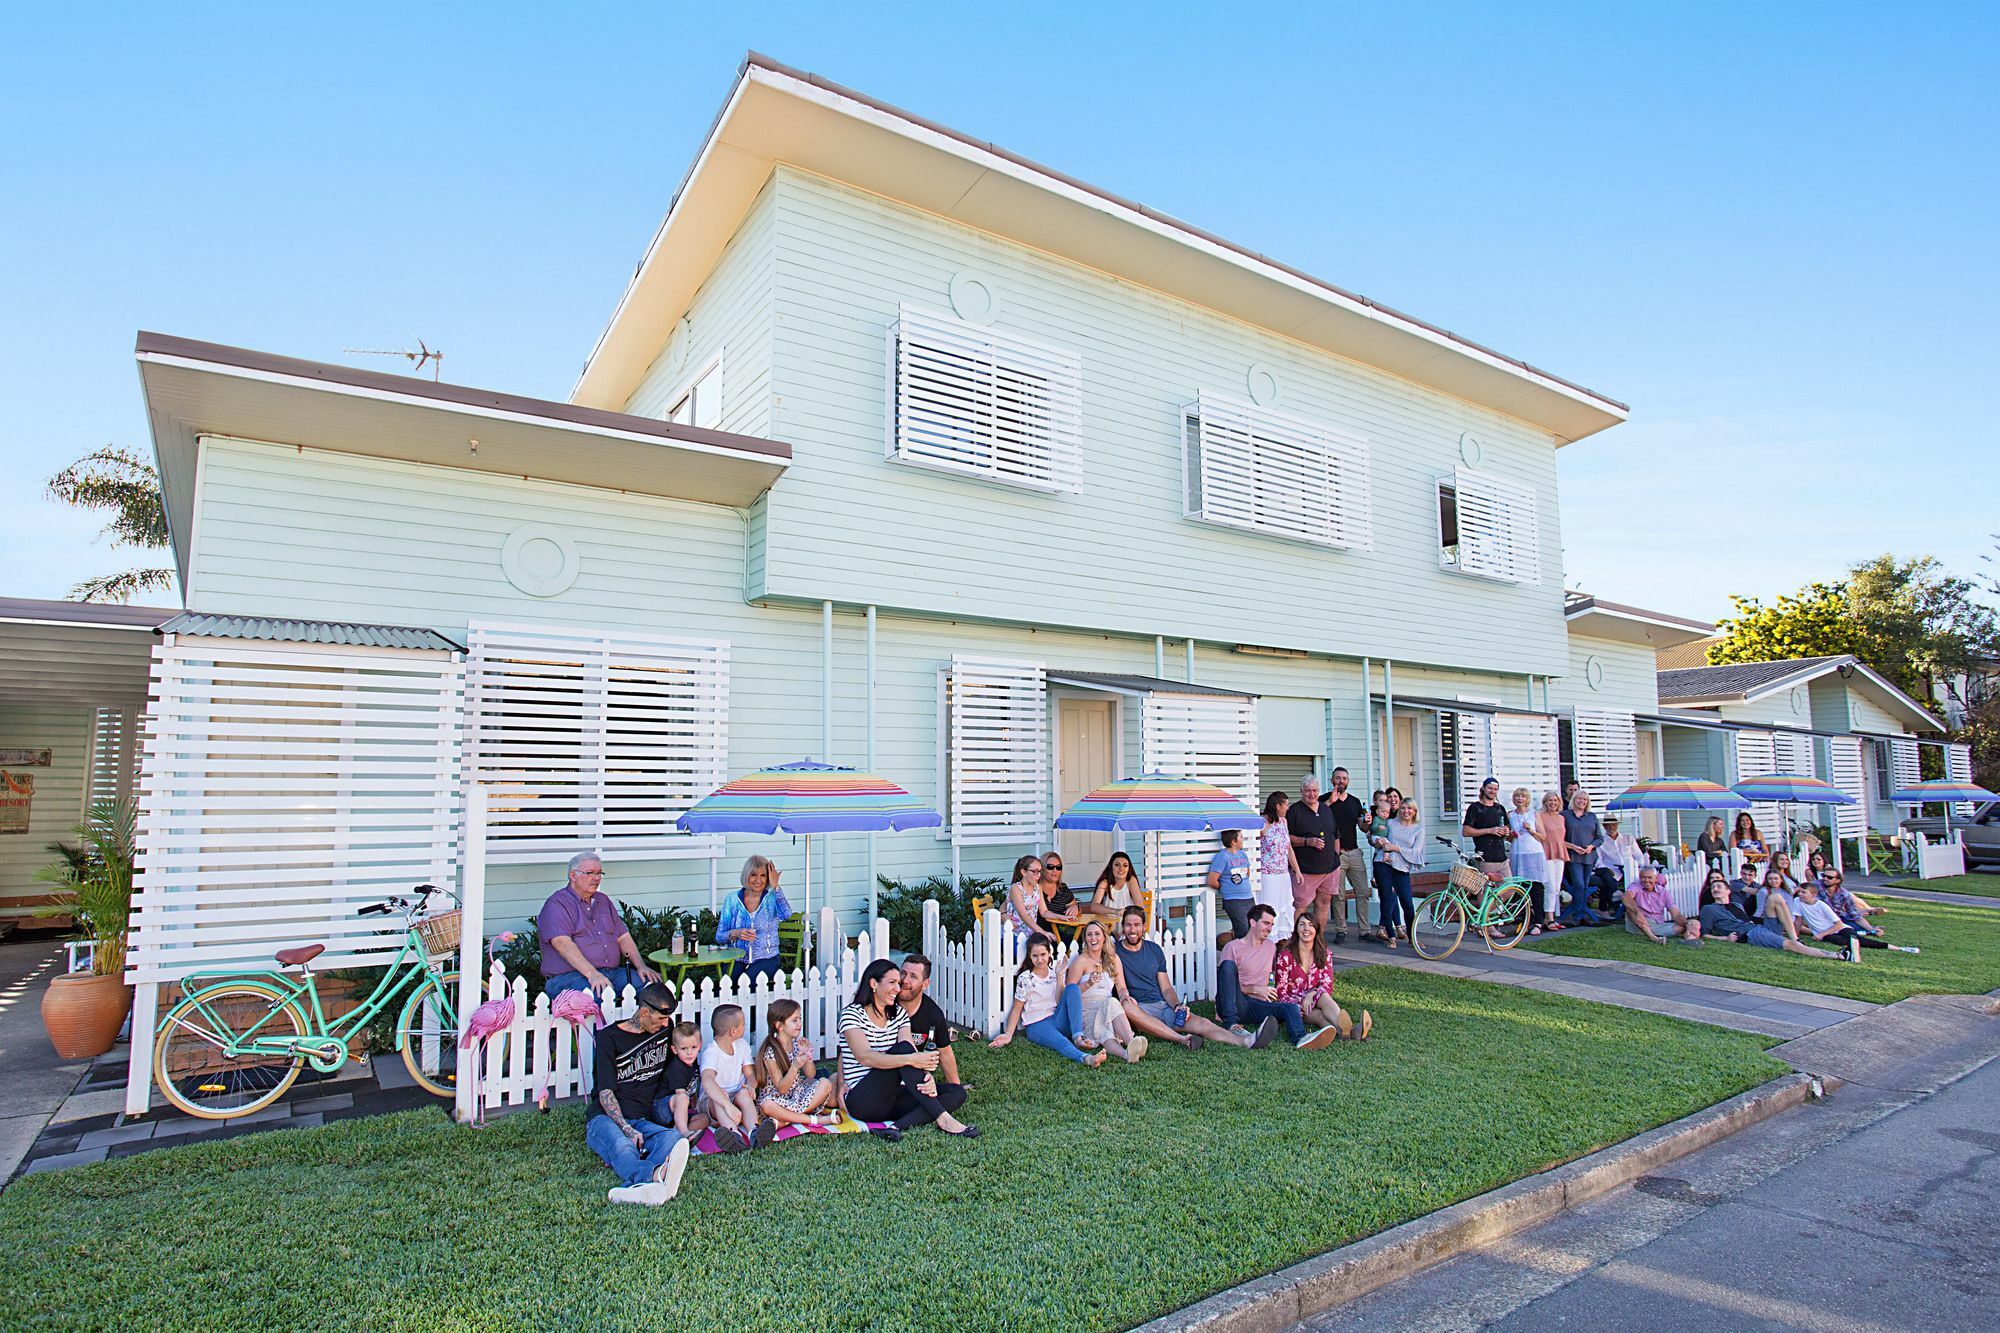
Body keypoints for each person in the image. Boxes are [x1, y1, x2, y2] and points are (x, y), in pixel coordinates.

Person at [838, 959, 976, 1142]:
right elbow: (865, 1057)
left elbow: (911, 1052)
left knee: (956, 1093)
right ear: (873, 984)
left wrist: (926, 1079)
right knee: (902, 1051)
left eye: (899, 982)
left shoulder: (899, 1014)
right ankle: (943, 1119)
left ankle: (896, 1127)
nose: (898, 987)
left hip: (892, 1097)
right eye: (892, 982)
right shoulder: (852, 1015)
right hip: (863, 1101)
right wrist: (912, 1060)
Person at [585, 980, 692, 1205]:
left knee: (672, 1138)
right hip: (605, 1119)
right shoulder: (608, 1038)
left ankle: (633, 1188)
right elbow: (605, 1093)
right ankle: (655, 1176)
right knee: (622, 1145)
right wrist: (626, 1128)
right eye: (661, 1019)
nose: (665, 1025)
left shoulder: (665, 1029)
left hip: (643, 1117)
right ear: (644, 1012)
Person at [1114, 906, 1268, 1050]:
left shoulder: (1154, 949)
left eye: (1136, 924)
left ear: (1144, 926)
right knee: (1127, 1006)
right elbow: (1121, 987)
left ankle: (1245, 1041)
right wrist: (1125, 997)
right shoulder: (1116, 952)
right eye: (1128, 925)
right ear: (1123, 926)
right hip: (1139, 1009)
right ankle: (1180, 1039)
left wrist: (1177, 1006)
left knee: (1201, 1022)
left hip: (1161, 1006)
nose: (1132, 929)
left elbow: (1166, 988)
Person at [538, 852, 660, 999]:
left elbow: (623, 937)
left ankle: (638, 1023)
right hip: (569, 977)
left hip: (611, 973)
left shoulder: (603, 901)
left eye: (599, 873)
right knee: (595, 996)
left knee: (653, 988)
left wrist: (641, 966)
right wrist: (592, 973)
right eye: (589, 873)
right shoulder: (557, 904)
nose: (596, 878)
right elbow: (562, 944)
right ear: (573, 875)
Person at [989, 933, 1107, 1067]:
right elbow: (1017, 1009)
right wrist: (1008, 1034)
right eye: (1035, 956)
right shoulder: (1025, 978)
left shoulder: (1054, 972)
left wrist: (1059, 977)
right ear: (1029, 956)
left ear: (1049, 953)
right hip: (1037, 1024)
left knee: (1072, 988)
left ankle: (1078, 1037)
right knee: (1060, 1042)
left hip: (1057, 1019)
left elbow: (1059, 1000)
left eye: (1043, 954)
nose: (1039, 959)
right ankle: (1086, 1058)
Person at [1218, 904, 1312, 1046]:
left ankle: (1301, 1038)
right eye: (1266, 923)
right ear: (1253, 922)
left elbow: (1281, 975)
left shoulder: (1271, 947)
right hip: (1236, 1002)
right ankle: (1232, 1025)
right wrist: (1255, 989)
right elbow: (1226, 986)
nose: (1269, 928)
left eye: (1272, 925)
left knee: (1290, 1007)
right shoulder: (1232, 947)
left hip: (1257, 1005)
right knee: (1227, 966)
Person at [1274, 913, 1372, 1042]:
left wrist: (1312, 994)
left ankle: (1346, 1032)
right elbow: (1281, 992)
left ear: (1316, 930)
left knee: (1323, 996)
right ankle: (1350, 1033)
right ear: (1296, 930)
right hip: (1295, 1006)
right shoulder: (1285, 956)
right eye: (1302, 925)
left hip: (1317, 998)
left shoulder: (1324, 953)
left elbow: (1327, 984)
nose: (1306, 929)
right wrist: (1298, 1005)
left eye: (1310, 925)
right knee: (1319, 1016)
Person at [1696, 872, 1840, 958]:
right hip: (1750, 933)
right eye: (1713, 887)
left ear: (1728, 891)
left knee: (1775, 898)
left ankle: (1795, 937)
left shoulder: (1736, 905)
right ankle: (1839, 955)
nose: (1715, 889)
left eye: (1719, 886)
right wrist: (1725, 938)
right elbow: (1704, 933)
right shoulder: (1708, 909)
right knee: (1790, 945)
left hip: (1758, 926)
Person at [1069, 920, 1147, 1063]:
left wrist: (1125, 997)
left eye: (1097, 934)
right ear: (1085, 938)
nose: (1093, 938)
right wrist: (1089, 983)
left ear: (1104, 937)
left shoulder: (1113, 959)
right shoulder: (1081, 961)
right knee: (1106, 1021)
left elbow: (1122, 988)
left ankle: (1130, 1050)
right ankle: (1130, 1046)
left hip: (1109, 1009)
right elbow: (1069, 995)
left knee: (1112, 1003)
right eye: (1089, 935)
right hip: (1088, 1012)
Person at [755, 998, 838, 1128]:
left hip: (797, 1094)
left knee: (826, 1083)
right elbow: (782, 1089)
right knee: (766, 1105)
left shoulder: (796, 1043)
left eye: (800, 1019)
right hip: (778, 1099)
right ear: (779, 1026)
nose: (799, 1023)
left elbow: (811, 1075)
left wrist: (806, 1055)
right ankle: (813, 1120)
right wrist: (795, 1066)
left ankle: (785, 1120)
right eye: (794, 1020)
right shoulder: (770, 1052)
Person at [700, 1004, 772, 1151]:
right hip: (713, 1102)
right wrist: (728, 1105)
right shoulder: (711, 1052)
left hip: (736, 1097)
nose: (745, 1026)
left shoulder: (742, 1045)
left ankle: (754, 1133)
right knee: (722, 1095)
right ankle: (734, 1136)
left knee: (744, 1094)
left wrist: (751, 1085)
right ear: (733, 1031)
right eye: (743, 1024)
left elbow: (750, 1074)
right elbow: (707, 1081)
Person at [898, 953, 968, 1097]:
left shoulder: (933, 1014)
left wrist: (955, 1087)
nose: (904, 980)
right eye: (903, 973)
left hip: (913, 1074)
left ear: (925, 984)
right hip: (884, 1070)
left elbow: (945, 1053)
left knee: (955, 1093)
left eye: (913, 976)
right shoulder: (885, 1005)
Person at [715, 855, 795, 982]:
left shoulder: (772, 898)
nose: (758, 880)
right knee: (726, 983)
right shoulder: (732, 899)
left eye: (763, 875)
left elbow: (786, 914)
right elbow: (719, 937)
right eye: (753, 875)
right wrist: (736, 933)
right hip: (736, 958)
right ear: (746, 876)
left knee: (747, 981)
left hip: (767, 958)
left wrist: (776, 887)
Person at [1794, 880, 1919, 960]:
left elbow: (1838, 924)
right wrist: (1795, 937)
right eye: (1800, 892)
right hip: (1827, 934)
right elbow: (1798, 921)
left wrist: (1821, 934)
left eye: (1803, 893)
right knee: (1843, 941)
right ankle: (1854, 950)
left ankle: (1900, 948)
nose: (1800, 895)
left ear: (1813, 894)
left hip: (1839, 928)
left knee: (1858, 940)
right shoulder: (1797, 902)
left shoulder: (1821, 905)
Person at [1288, 773, 1343, 941]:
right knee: (1300, 906)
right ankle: (1297, 943)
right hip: (1306, 870)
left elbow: (1335, 834)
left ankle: (1318, 941)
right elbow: (1286, 838)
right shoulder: (1294, 811)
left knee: (1324, 904)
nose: (1311, 794)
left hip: (1330, 868)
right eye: (1307, 791)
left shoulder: (1326, 809)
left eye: (1315, 791)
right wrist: (1307, 842)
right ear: (1301, 791)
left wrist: (1336, 856)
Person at [1324, 767, 1373, 943]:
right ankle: (1341, 930)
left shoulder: (1354, 802)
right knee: (1339, 895)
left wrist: (1367, 822)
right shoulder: (1324, 800)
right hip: (1336, 853)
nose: (1341, 781)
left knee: (1362, 892)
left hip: (1354, 852)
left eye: (1344, 778)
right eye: (1337, 778)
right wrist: (1331, 801)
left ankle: (1365, 930)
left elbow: (1363, 827)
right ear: (1332, 781)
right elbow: (1317, 815)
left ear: (1348, 781)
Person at [1373, 799, 1424, 943]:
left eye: (1409, 808)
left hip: (1402, 869)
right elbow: (1375, 835)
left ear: (1414, 811)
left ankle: (1412, 938)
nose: (1406, 811)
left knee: (1407, 902)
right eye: (1403, 808)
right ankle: (1391, 936)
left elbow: (1415, 852)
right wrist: (1377, 841)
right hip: (1383, 864)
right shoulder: (1390, 823)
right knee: (1387, 899)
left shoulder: (1418, 830)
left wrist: (1394, 848)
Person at [1559, 790, 1610, 927]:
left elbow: (1600, 838)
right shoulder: (1564, 816)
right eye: (1579, 799)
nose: (1581, 801)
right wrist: (1573, 847)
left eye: (1585, 800)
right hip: (1573, 857)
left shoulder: (1591, 817)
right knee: (1579, 884)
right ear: (1574, 800)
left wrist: (1591, 846)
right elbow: (1558, 838)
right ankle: (1578, 915)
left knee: (1585, 886)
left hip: (1589, 857)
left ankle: (1582, 915)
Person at [1508, 787, 1554, 935]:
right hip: (1518, 853)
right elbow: (1508, 837)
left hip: (1533, 852)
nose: (1519, 799)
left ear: (1527, 799)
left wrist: (1531, 830)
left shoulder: (1534, 815)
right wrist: (1510, 835)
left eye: (1522, 796)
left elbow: (1543, 836)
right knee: (1521, 887)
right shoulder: (1510, 815)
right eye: (1517, 796)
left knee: (1536, 887)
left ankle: (1539, 921)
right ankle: (1525, 918)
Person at [1256, 792, 1302, 939]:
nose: (1287, 808)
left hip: (1282, 873)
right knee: (1269, 906)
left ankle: (1282, 940)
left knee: (1285, 905)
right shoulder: (1262, 822)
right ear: (1278, 806)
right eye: (1286, 805)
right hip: (1267, 873)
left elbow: (1288, 848)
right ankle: (1267, 938)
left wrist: (1297, 870)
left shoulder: (1283, 822)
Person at [1623, 864, 1701, 944]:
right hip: (1639, 923)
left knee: (1693, 923)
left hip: (1659, 925)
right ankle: (1653, 937)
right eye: (1643, 877)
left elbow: (1676, 914)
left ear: (1656, 879)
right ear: (1640, 878)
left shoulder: (1663, 892)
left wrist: (1687, 925)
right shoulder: (1635, 886)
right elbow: (1626, 897)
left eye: (1650, 877)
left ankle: (1690, 938)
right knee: (1630, 909)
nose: (1646, 880)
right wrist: (1638, 912)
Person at [661, 1021, 711, 1145]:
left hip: (678, 1114)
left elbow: (692, 1089)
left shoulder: (692, 1062)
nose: (689, 1052)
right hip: (663, 1110)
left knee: (705, 1118)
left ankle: (680, 1137)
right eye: (684, 1049)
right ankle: (683, 1133)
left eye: (693, 1047)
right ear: (674, 1049)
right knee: (682, 1097)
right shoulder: (676, 1068)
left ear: (700, 1045)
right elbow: (681, 1095)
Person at [1368, 793, 1405, 947]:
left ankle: (1394, 927)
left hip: (1398, 863)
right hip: (1381, 861)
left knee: (1392, 895)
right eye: (1386, 800)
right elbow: (1371, 837)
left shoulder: (1399, 820)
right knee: (1388, 896)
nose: (1391, 800)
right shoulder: (1377, 819)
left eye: (1394, 797)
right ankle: (1390, 931)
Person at [1206, 829, 1255, 940]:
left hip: (1248, 898)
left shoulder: (1243, 854)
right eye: (1241, 837)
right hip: (1233, 900)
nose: (1243, 839)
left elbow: (1247, 873)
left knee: (1253, 928)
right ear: (1233, 841)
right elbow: (1212, 880)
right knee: (1242, 930)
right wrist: (1226, 888)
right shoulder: (1223, 857)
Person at [1461, 778, 1512, 884]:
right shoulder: (1475, 808)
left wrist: (1506, 832)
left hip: (1502, 858)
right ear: (1483, 788)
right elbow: (1466, 831)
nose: (1492, 791)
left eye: (1495, 789)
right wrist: (1489, 830)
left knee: (1508, 891)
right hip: (1485, 858)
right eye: (1490, 788)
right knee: (1485, 894)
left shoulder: (1500, 808)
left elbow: (1507, 828)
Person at [1594, 815, 1642, 913]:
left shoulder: (1628, 838)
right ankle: (1612, 903)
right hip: (1611, 871)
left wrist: (1640, 867)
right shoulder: (1601, 841)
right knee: (1606, 878)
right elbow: (1598, 860)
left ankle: (1619, 904)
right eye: (1608, 825)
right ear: (1604, 826)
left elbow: (1639, 855)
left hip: (1629, 869)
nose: (1611, 827)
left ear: (1617, 825)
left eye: (1613, 825)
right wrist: (1606, 869)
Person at [1817, 868, 1882, 935]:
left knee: (1855, 929)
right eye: (1823, 876)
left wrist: (1871, 929)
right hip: (1819, 918)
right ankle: (1868, 912)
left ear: (1837, 880)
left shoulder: (1844, 894)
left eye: (1829, 877)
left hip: (1837, 919)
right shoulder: (1814, 886)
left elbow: (1854, 916)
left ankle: (1869, 926)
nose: (1825, 878)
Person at [1089, 851, 1147, 924]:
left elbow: (1140, 906)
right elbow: (1094, 906)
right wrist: (1115, 911)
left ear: (1129, 868)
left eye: (1125, 865)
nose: (1121, 868)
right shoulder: (1105, 883)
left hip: (1127, 927)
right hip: (1108, 927)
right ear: (1111, 867)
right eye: (1117, 865)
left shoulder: (1131, 881)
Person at [1037, 852, 1086, 934]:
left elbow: (1075, 906)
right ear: (1042, 869)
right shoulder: (1034, 889)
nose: (1055, 870)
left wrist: (1075, 908)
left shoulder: (1062, 888)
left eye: (1058, 867)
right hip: (1039, 934)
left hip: (1061, 933)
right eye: (1050, 867)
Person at [1001, 853, 1047, 942]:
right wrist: (1042, 932)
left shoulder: (1038, 888)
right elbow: (1023, 915)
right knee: (1029, 952)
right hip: (1013, 933)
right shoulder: (1016, 888)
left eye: (1040, 871)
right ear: (1024, 872)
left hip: (1030, 933)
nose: (1039, 875)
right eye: (1035, 871)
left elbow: (1044, 911)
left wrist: (1061, 917)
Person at [1731, 812, 1768, 877]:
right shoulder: (1734, 834)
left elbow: (1764, 848)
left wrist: (1767, 857)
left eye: (1747, 820)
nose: (1745, 822)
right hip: (1743, 862)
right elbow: (1732, 850)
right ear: (1739, 823)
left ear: (1751, 821)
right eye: (1742, 820)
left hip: (1759, 861)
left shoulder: (1758, 833)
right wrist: (1751, 851)